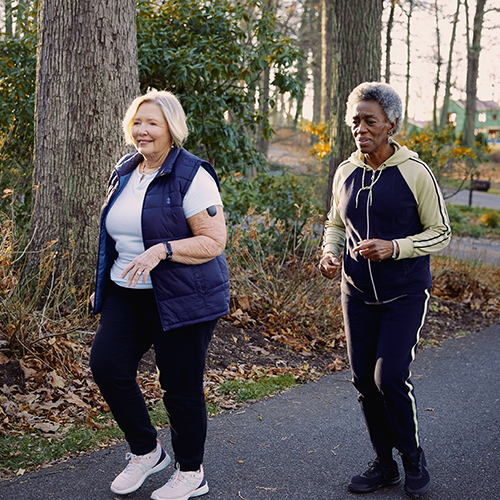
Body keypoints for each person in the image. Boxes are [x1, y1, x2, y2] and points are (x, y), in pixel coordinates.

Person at [90, 90, 230, 500]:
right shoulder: (125, 170)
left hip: (183, 296)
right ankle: (146, 450)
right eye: (137, 122)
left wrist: (164, 249)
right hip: (127, 291)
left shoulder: (192, 175)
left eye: (152, 123)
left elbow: (214, 241)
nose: (143, 131)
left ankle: (191, 472)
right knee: (107, 366)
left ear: (172, 128)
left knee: (179, 386)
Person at [320, 82, 451, 497]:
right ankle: (385, 463)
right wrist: (330, 253)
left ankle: (412, 457)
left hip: (405, 293)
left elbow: (441, 232)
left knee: (389, 377)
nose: (360, 128)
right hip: (356, 293)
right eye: (355, 120)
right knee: (362, 380)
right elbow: (335, 223)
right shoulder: (345, 171)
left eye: (370, 121)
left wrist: (396, 248)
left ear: (391, 124)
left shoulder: (415, 172)